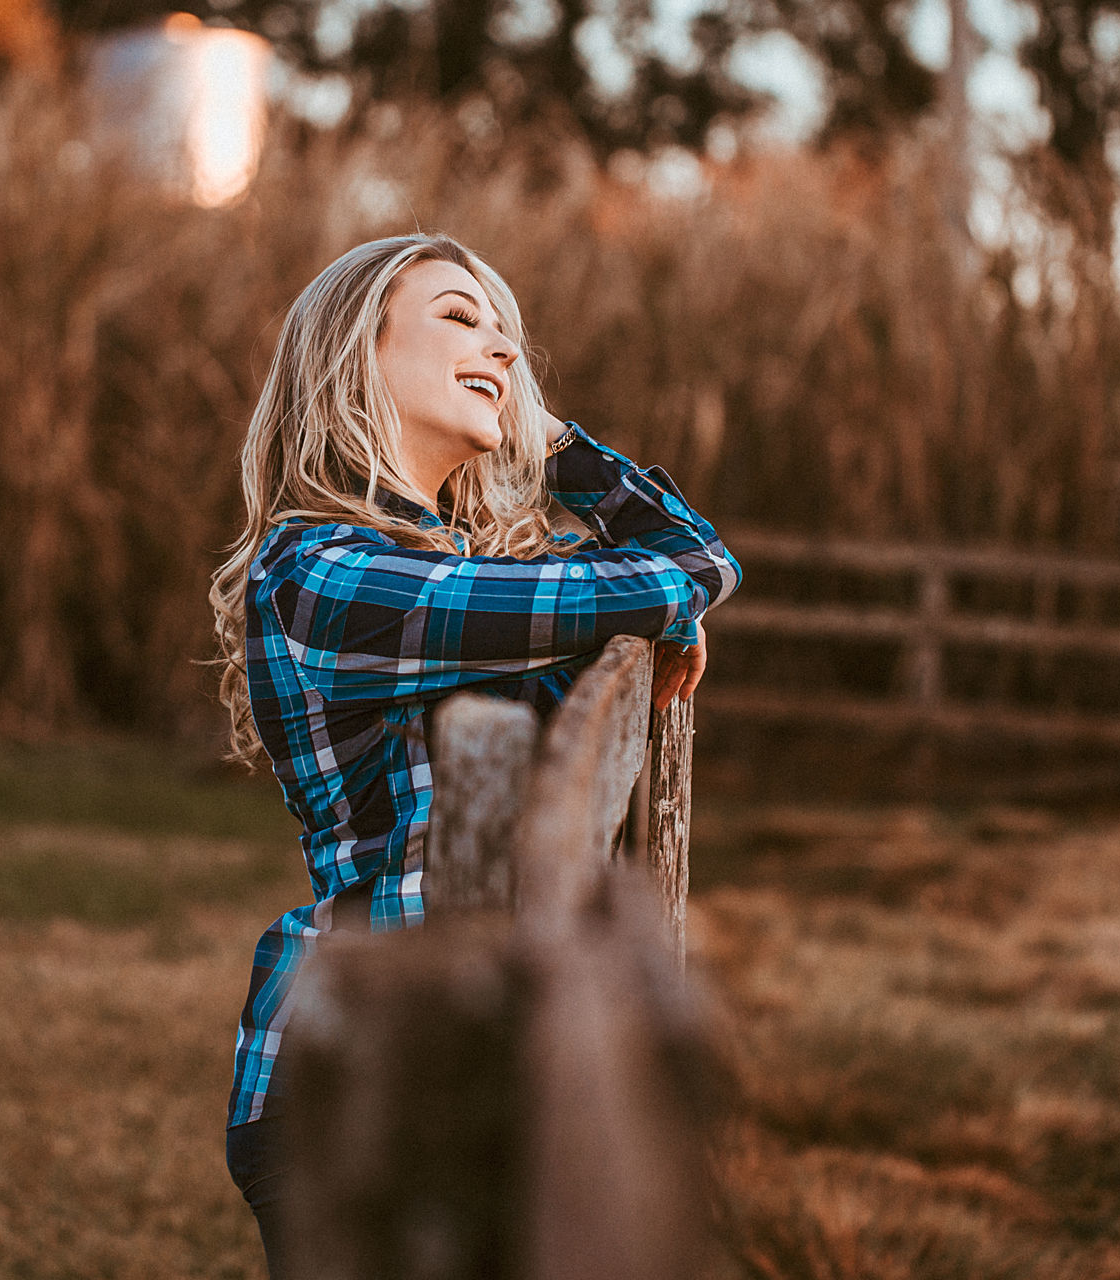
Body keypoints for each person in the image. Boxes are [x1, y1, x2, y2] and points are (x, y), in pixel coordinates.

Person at [206, 232, 740, 1276]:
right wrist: (616, 537)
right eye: (459, 316)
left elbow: (678, 572)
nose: (500, 346)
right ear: (357, 357)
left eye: (507, 331)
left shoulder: (449, 569)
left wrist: (558, 456)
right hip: (361, 1061)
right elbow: (688, 566)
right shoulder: (323, 569)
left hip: (452, 1050)